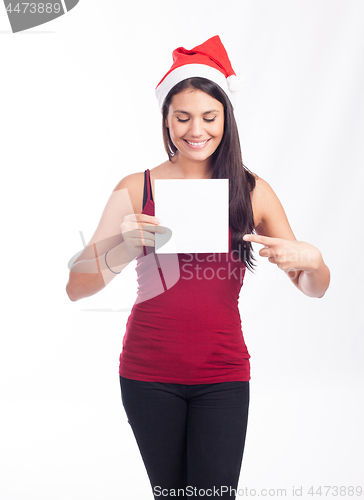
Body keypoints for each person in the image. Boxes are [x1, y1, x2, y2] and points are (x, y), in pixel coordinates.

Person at [66, 35, 330, 499]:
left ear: (226, 119)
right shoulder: (135, 186)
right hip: (147, 373)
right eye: (182, 117)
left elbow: (314, 288)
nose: (196, 130)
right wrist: (124, 248)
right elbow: (76, 287)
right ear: (165, 119)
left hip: (223, 375)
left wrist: (313, 260)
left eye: (209, 117)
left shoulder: (252, 190)